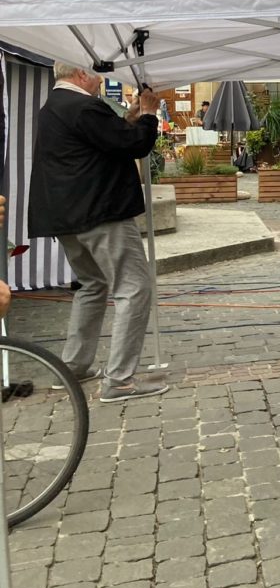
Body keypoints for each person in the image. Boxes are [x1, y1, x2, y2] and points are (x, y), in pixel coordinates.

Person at [27, 63, 169, 402]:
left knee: (92, 285)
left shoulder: (54, 107)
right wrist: (149, 115)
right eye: (96, 73)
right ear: (81, 74)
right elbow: (133, 146)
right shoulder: (84, 105)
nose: (101, 78)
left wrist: (130, 118)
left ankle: (73, 367)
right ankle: (119, 381)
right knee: (134, 288)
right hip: (100, 213)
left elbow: (105, 141)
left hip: (66, 217)